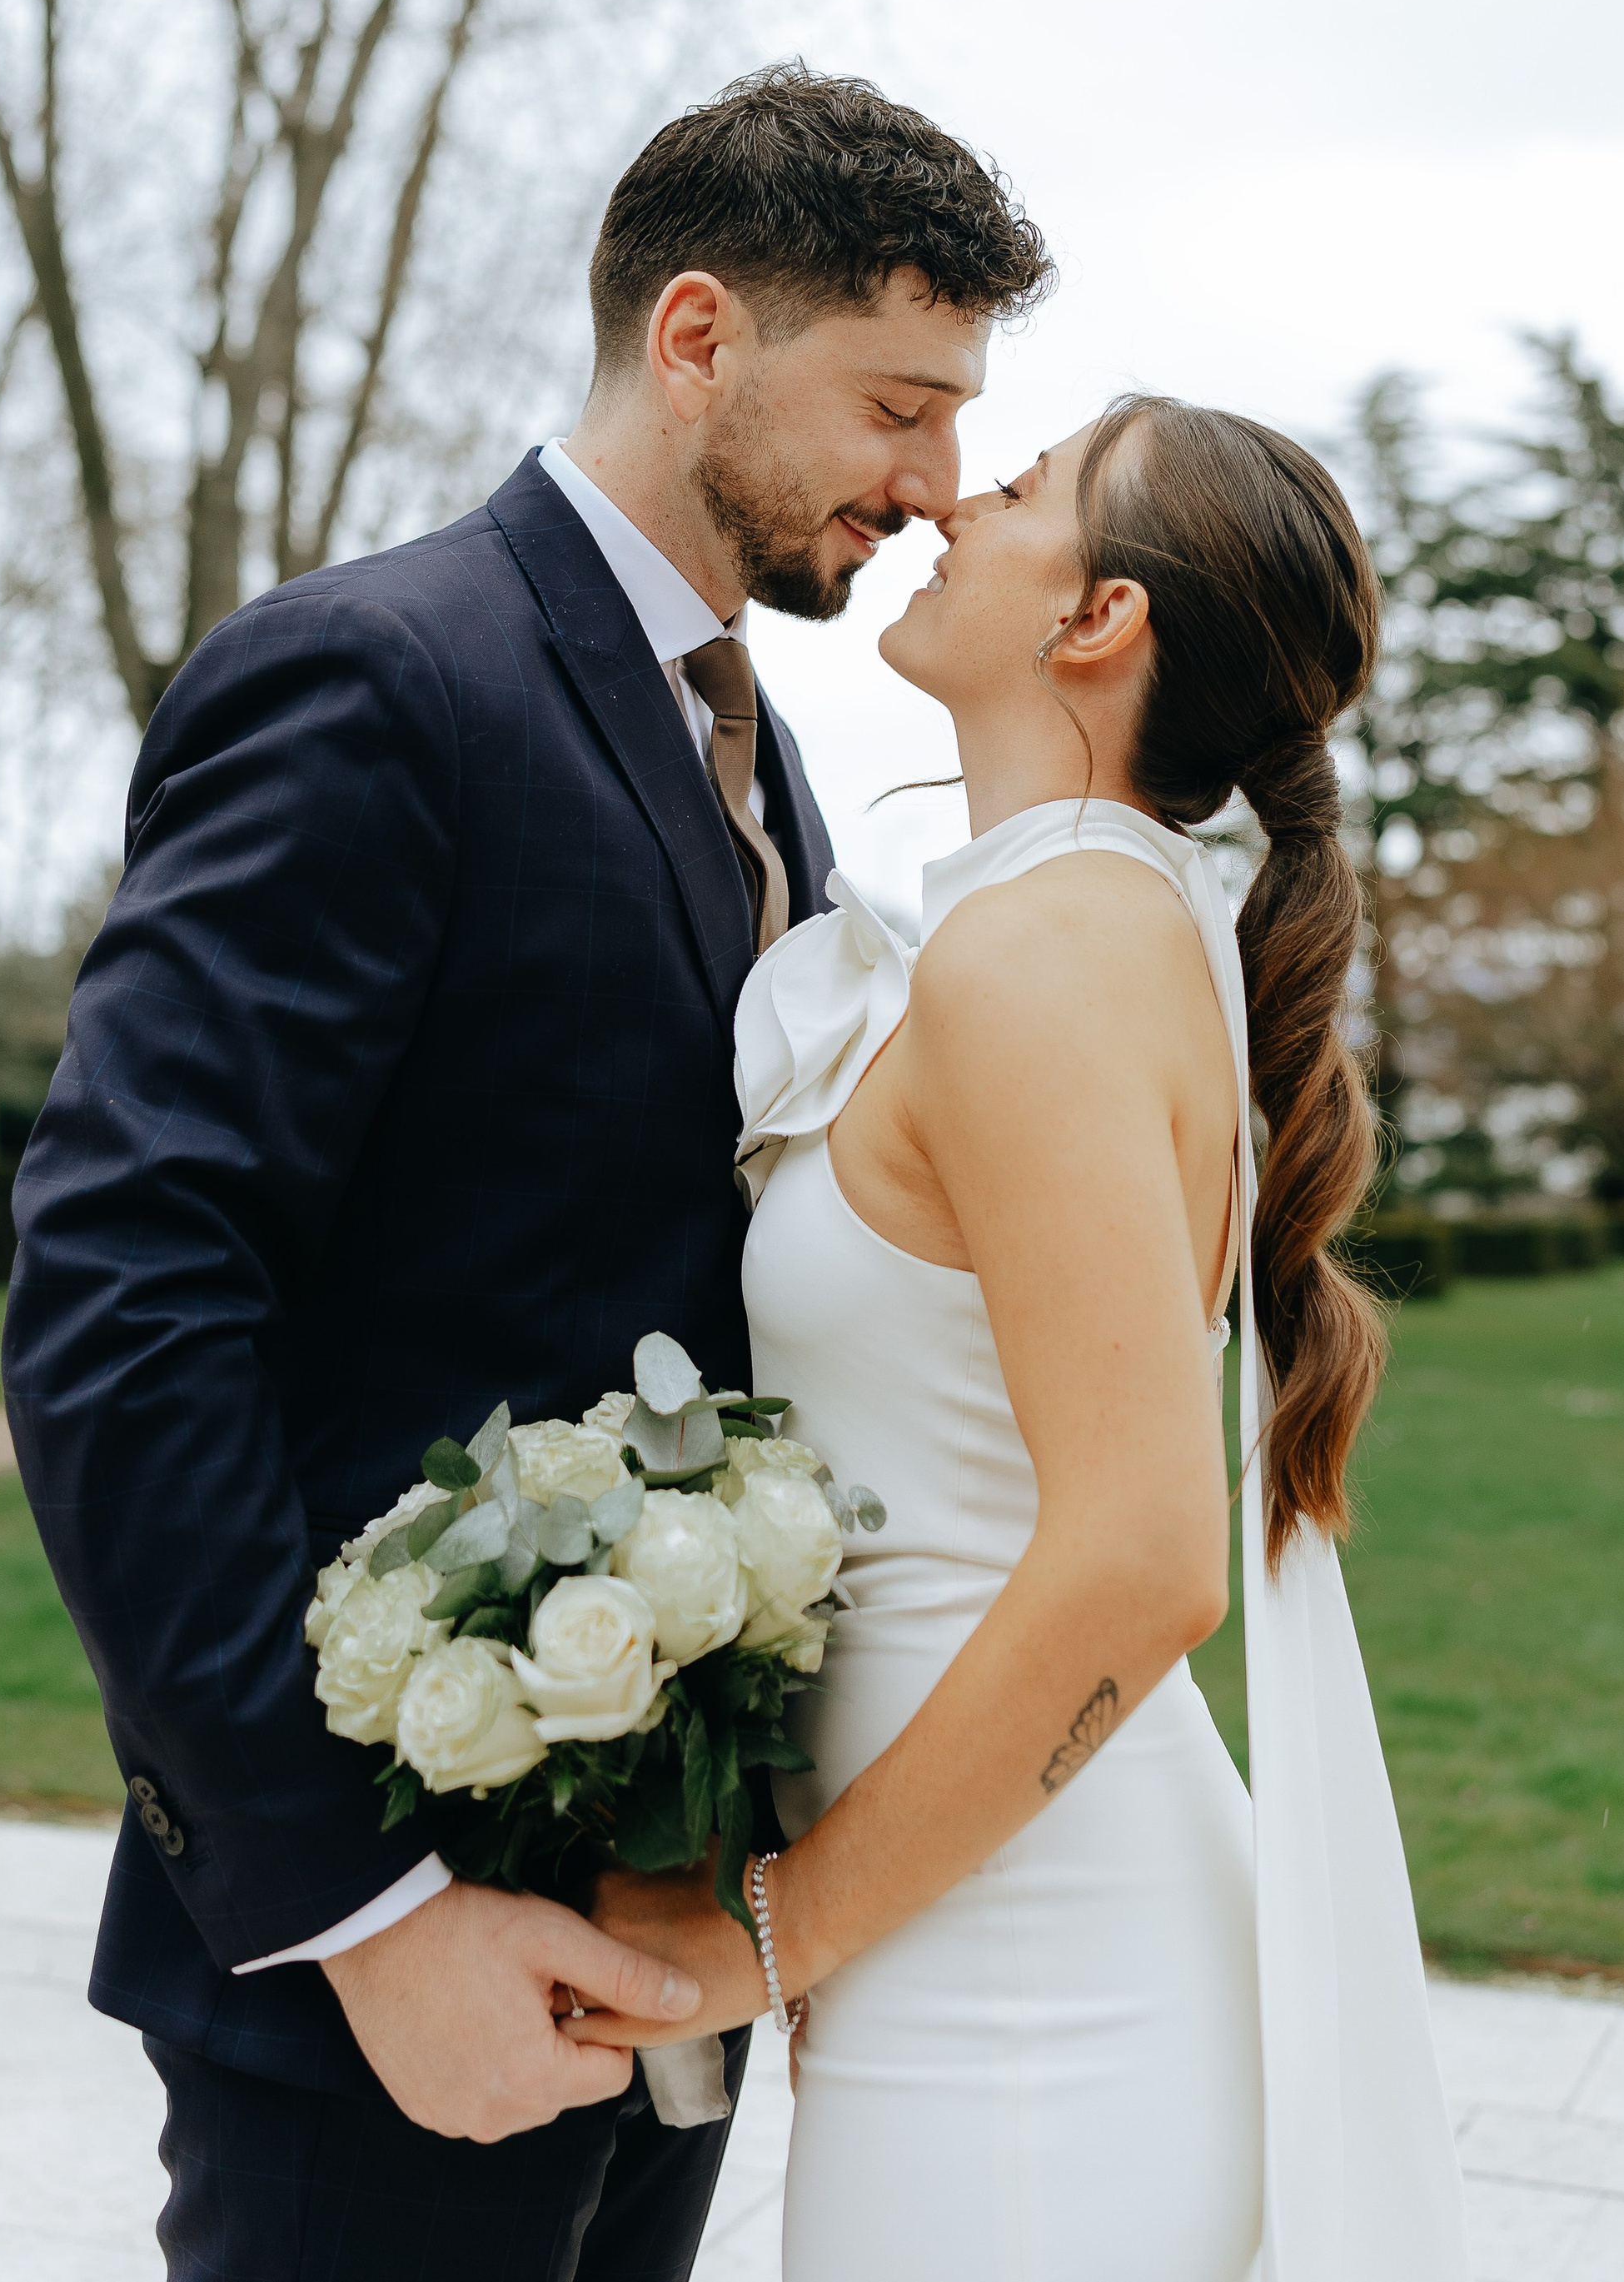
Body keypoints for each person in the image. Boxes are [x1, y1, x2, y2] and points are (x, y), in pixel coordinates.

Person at [0, 63, 1052, 2282]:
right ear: (697, 342)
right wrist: (357, 1915)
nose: (937, 487)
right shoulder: (379, 680)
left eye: (957, 422)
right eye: (895, 405)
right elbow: (126, 1297)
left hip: (660, 1942)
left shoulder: (772, 769)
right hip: (398, 1969)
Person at [567, 397, 1471, 2280]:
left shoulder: (1049, 946)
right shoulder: (1076, 921)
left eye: (1027, 482)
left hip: (1037, 1992)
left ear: (1099, 619)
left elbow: (1145, 1557)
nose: (956, 496)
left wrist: (781, 1925)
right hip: (978, 1930)